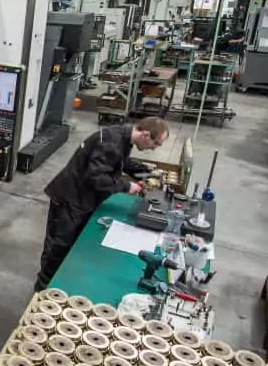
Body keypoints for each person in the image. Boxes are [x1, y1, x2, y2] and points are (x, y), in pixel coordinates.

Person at [35, 117, 170, 292]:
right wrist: (127, 186)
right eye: (156, 144)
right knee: (58, 248)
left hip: (81, 199)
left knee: (69, 247)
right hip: (70, 199)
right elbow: (96, 178)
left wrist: (146, 171)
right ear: (145, 134)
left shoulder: (123, 138)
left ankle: (53, 286)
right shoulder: (111, 141)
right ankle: (42, 291)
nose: (154, 149)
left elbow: (120, 161)